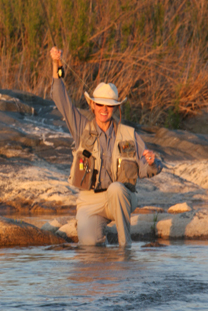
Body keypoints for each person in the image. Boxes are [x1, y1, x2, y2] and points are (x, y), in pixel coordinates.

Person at [50, 46, 162, 247]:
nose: (104, 109)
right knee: (89, 244)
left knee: (116, 188)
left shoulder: (129, 134)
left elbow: (146, 167)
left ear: (115, 108)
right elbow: (60, 98)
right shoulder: (81, 127)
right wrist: (56, 64)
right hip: (90, 201)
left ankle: (124, 247)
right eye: (99, 104)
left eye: (109, 105)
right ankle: (105, 235)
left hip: (122, 197)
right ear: (92, 105)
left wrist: (152, 162)